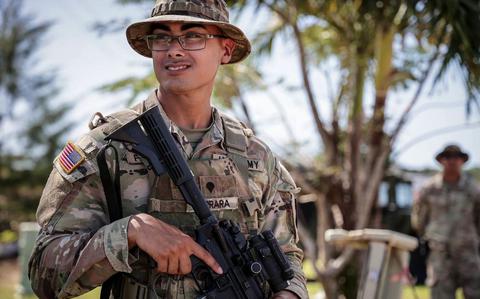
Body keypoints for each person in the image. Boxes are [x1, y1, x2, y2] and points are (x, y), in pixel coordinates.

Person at [27, 1, 308, 298]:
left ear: (225, 50)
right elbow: (43, 273)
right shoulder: (107, 148)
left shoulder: (256, 157)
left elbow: (288, 255)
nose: (174, 49)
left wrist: (290, 294)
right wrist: (130, 232)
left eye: (193, 36)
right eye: (162, 37)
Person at [411, 144, 480, 299]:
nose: (452, 161)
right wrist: (429, 238)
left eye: (456, 157)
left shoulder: (473, 189)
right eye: (447, 157)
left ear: (462, 160)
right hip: (440, 255)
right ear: (441, 160)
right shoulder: (429, 189)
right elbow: (419, 220)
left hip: (468, 254)